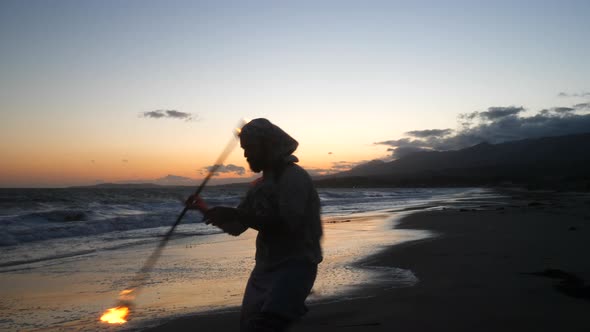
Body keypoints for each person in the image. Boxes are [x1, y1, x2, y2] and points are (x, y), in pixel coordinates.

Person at [186, 118, 323, 332]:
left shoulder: (294, 177)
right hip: (264, 269)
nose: (245, 155)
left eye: (250, 148)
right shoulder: (259, 186)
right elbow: (237, 227)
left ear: (268, 146)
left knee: (267, 325)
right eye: (243, 148)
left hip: (297, 266)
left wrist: (236, 213)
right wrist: (204, 208)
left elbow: (289, 225)